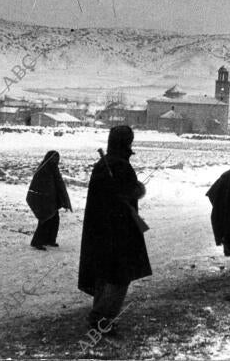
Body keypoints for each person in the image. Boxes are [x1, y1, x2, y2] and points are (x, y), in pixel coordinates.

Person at [78, 125, 152, 334]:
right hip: (120, 231)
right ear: (126, 142)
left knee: (104, 273)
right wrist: (138, 188)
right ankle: (102, 319)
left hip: (99, 229)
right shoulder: (120, 165)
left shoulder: (103, 163)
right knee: (120, 275)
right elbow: (130, 192)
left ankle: (100, 315)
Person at [26, 151, 72, 251]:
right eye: (54, 158)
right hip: (44, 200)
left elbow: (59, 185)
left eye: (57, 158)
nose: (56, 161)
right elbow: (38, 186)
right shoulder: (43, 170)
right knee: (45, 220)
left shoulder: (54, 169)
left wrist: (62, 199)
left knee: (54, 220)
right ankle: (37, 242)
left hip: (52, 200)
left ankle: (50, 240)